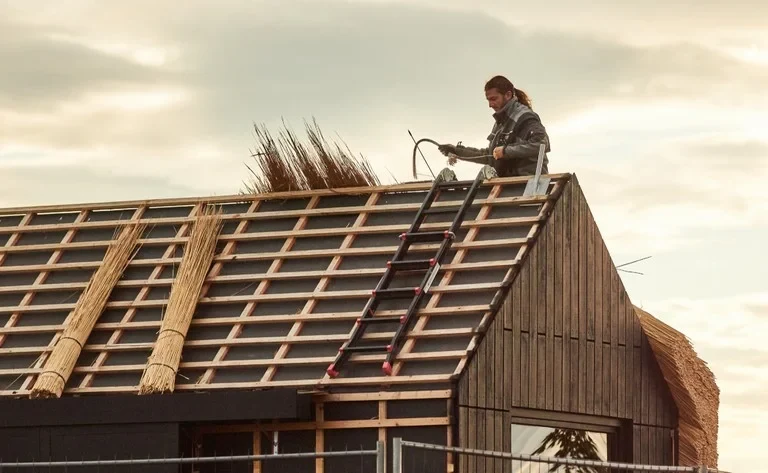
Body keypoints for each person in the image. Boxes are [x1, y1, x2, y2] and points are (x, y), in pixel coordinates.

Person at [438, 75, 550, 177]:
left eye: (494, 99)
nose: (490, 105)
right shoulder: (500, 123)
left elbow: (542, 143)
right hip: (506, 186)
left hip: (528, 184)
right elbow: (491, 156)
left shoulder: (525, 117)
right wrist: (457, 151)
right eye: (488, 100)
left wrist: (505, 151)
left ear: (508, 95)